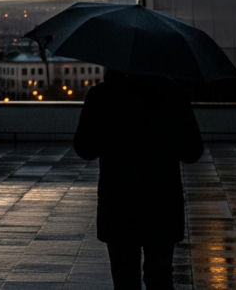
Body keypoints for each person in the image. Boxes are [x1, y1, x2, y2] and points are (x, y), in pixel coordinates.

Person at [74, 70, 203, 290]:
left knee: (124, 278)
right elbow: (192, 151)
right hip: (162, 202)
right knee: (160, 277)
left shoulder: (102, 96)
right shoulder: (172, 95)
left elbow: (85, 148)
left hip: (119, 203)